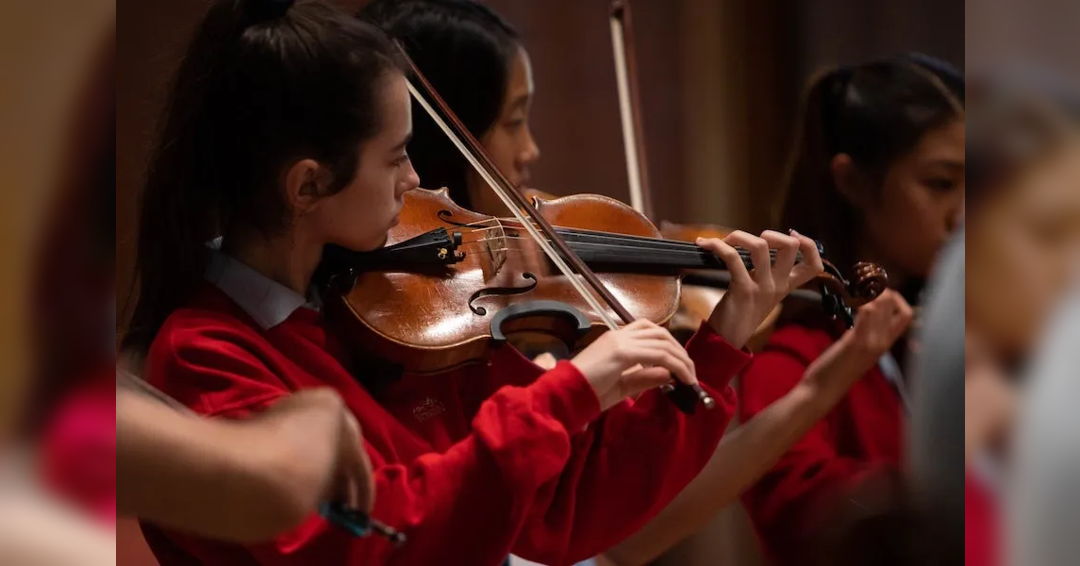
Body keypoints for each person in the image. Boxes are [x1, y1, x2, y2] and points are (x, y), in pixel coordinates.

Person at [121, 1, 820, 564]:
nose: (418, 182)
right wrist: (567, 395)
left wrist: (719, 342)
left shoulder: (388, 313)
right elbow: (385, 538)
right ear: (308, 185)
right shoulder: (206, 356)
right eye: (396, 157)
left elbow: (562, 512)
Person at [732, 54, 965, 565]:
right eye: (941, 184)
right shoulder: (791, 356)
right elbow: (802, 515)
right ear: (853, 182)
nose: (964, 215)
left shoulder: (943, 333)